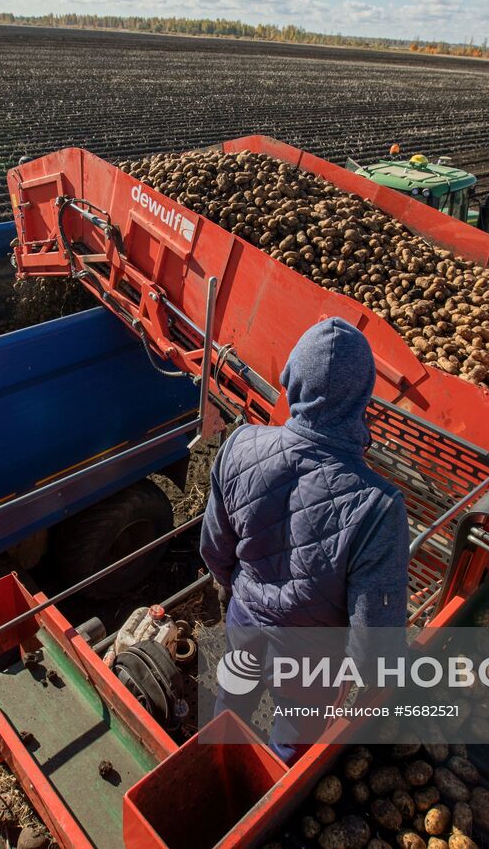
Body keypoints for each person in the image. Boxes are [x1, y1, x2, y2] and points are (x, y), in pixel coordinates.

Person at [200, 317, 410, 758]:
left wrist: (240, 590)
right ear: (362, 399)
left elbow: (215, 550)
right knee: (293, 740)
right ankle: (269, 812)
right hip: (310, 656)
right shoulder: (379, 506)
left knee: (230, 705)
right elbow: (374, 645)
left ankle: (215, 770)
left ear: (291, 377)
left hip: (244, 619)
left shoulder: (238, 445)